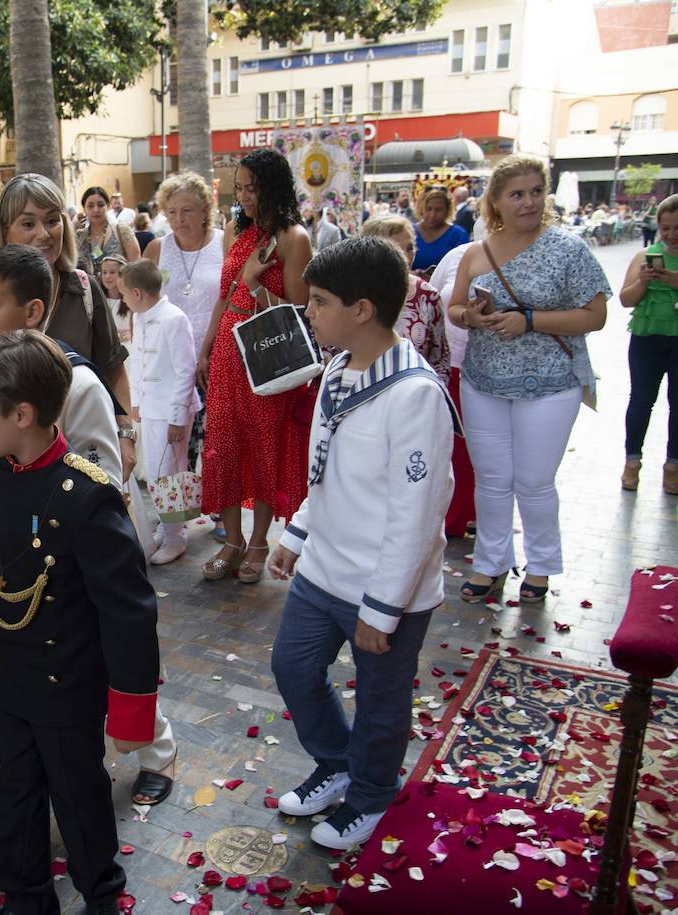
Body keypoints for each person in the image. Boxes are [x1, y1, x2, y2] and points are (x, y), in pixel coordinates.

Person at [0, 245, 178, 848]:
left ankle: (153, 748)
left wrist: (26, 516)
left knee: (106, 664)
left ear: (31, 312)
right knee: (1, 690)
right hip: (14, 557)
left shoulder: (76, 382)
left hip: (71, 560)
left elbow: (101, 476)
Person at [0, 329, 159, 915]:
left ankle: (102, 895)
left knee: (80, 797)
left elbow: (130, 614)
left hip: (68, 683)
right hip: (10, 677)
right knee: (14, 793)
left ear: (23, 414)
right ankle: (27, 896)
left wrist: (133, 711)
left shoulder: (86, 496)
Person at [268, 235, 459, 851]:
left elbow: (419, 513)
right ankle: (337, 762)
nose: (310, 313)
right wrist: (297, 532)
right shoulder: (335, 370)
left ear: (363, 310)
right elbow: (323, 470)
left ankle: (371, 795)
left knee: (380, 700)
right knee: (293, 666)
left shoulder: (414, 395)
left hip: (386, 584)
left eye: (320, 302)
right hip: (325, 567)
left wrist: (383, 608)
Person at [447, 154, 609, 604]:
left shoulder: (568, 248)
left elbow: (595, 316)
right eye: (517, 194)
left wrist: (531, 320)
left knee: (535, 480)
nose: (529, 202)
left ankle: (540, 567)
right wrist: (473, 317)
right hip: (484, 381)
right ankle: (490, 562)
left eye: (536, 191)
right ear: (496, 203)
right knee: (493, 478)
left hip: (551, 384)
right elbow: (454, 309)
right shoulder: (476, 253)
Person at [198, 149, 314, 583]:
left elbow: (301, 312)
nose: (244, 197)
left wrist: (253, 285)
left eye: (252, 188)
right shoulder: (233, 230)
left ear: (273, 187)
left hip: (268, 358)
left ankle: (260, 541)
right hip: (228, 352)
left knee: (265, 446)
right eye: (239, 188)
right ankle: (233, 540)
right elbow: (224, 295)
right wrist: (207, 346)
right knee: (224, 447)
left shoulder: (292, 238)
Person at [0, 174, 137, 481]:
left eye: (53, 220)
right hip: (12, 459)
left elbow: (113, 369)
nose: (44, 234)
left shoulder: (84, 289)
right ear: (4, 230)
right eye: (28, 224)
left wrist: (127, 434)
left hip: (84, 452)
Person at [617, 192, 678, 496]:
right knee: (641, 399)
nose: (671, 235)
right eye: (665, 228)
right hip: (647, 335)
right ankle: (632, 461)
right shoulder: (646, 255)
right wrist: (644, 281)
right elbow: (625, 299)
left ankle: (673, 465)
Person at [120, 259, 201, 565]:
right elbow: (140, 362)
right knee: (157, 472)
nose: (124, 301)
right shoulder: (141, 318)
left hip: (171, 410)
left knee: (167, 474)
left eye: (125, 294)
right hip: (152, 408)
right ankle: (170, 527)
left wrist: (178, 417)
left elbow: (185, 371)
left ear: (138, 293)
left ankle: (175, 537)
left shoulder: (173, 319)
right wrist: (137, 400)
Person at [145, 173, 224, 470]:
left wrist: (206, 351)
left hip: (215, 355)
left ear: (205, 209)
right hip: (171, 361)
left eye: (187, 210)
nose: (179, 219)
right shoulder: (156, 249)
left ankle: (216, 508)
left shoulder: (222, 243)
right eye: (172, 211)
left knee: (214, 437)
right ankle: (181, 511)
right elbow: (146, 305)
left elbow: (230, 296)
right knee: (176, 443)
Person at [361, 216, 450, 383]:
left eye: (409, 248)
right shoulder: (347, 292)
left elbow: (439, 360)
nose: (406, 258)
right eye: (396, 250)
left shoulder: (427, 295)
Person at [429, 240, 478, 538]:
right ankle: (454, 515)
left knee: (480, 451)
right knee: (455, 446)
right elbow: (440, 302)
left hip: (491, 368)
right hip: (453, 361)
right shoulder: (462, 254)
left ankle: (474, 513)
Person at [78, 187, 141, 276]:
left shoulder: (122, 231)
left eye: (100, 205)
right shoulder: (79, 237)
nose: (96, 210)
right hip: (87, 289)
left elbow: (136, 267)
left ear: (107, 206)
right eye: (90, 206)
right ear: (84, 208)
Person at [412, 187, 470, 275]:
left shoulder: (458, 235)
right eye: (428, 209)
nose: (432, 215)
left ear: (447, 210)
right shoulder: (409, 232)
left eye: (438, 210)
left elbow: (463, 270)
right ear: (421, 209)